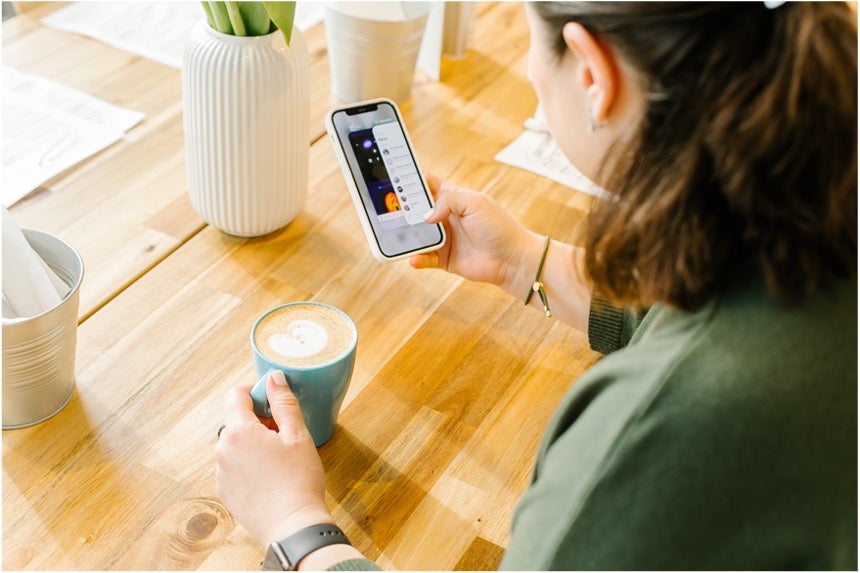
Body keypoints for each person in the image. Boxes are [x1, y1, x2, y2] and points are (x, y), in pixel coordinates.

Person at [215, 2, 857, 570]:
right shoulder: (816, 221)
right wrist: (526, 262)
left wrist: (296, 526)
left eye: (530, 43)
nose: (529, 71)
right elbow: (706, 310)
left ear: (590, 71)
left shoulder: (652, 436)